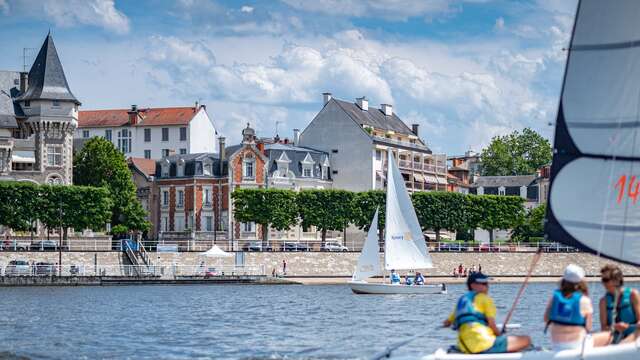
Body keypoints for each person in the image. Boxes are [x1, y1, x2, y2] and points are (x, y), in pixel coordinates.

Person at [443, 272, 531, 354]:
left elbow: (447, 322)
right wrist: (499, 335)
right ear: (473, 285)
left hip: (464, 347)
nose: (487, 286)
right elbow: (492, 325)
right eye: (483, 284)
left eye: (487, 283)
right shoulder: (485, 299)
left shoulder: (462, 300)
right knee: (526, 340)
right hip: (483, 344)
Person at [544, 264, 594, 350]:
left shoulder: (554, 298)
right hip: (577, 345)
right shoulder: (584, 300)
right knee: (607, 336)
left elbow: (546, 319)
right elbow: (588, 327)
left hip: (557, 345)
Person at [598, 264, 640, 344]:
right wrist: (614, 327)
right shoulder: (603, 301)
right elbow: (603, 328)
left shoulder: (633, 295)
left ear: (617, 280)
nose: (603, 283)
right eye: (602, 280)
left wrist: (628, 326)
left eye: (606, 280)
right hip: (615, 338)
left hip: (635, 336)